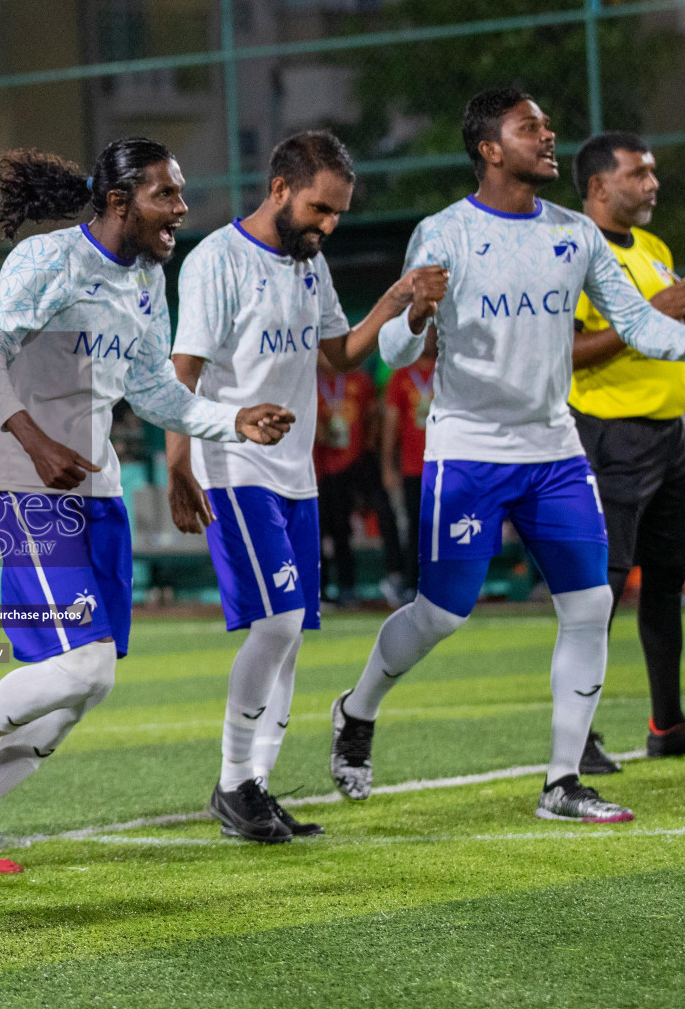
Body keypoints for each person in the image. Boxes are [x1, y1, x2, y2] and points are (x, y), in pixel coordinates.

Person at [0, 137, 295, 874]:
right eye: (165, 196)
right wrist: (34, 440)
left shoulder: (145, 278)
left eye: (179, 194)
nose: (180, 210)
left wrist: (230, 419)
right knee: (81, 667)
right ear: (119, 203)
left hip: (98, 488)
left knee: (91, 682)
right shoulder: (50, 262)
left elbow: (153, 389)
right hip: (30, 486)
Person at [328, 87, 685, 823]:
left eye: (546, 125)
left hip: (553, 449)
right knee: (443, 615)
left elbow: (638, 323)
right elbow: (393, 350)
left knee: (591, 602)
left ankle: (562, 781)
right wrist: (414, 311)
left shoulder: (575, 233)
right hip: (469, 450)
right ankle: (357, 708)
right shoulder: (443, 233)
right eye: (530, 128)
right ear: (489, 148)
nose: (548, 137)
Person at [166, 130, 447, 843]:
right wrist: (177, 465)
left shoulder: (308, 266)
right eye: (321, 209)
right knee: (278, 623)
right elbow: (182, 375)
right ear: (281, 188)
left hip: (296, 472)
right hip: (232, 467)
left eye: (340, 215)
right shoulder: (215, 261)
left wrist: (390, 302)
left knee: (292, 638)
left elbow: (339, 354)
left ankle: (255, 788)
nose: (329, 225)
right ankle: (233, 783)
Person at [567, 131, 685, 772]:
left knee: (664, 581)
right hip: (609, 434)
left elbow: (664, 339)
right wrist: (649, 312)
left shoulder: (653, 248)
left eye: (652, 172)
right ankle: (572, 735)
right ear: (599, 186)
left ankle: (668, 722)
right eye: (638, 174)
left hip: (665, 435)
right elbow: (565, 353)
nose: (652, 184)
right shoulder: (573, 250)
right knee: (599, 590)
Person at [314, 361, 406, 605]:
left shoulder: (360, 380)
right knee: (336, 528)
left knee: (386, 512)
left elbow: (374, 413)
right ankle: (336, 589)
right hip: (327, 464)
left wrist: (371, 440)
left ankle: (396, 577)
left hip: (360, 458)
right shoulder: (311, 382)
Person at [381, 327, 436, 600]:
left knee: (444, 526)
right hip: (413, 467)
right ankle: (411, 585)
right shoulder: (401, 376)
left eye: (434, 331)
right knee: (414, 527)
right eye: (425, 332)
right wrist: (387, 467)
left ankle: (443, 584)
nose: (430, 337)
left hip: (445, 465)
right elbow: (390, 426)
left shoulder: (448, 370)